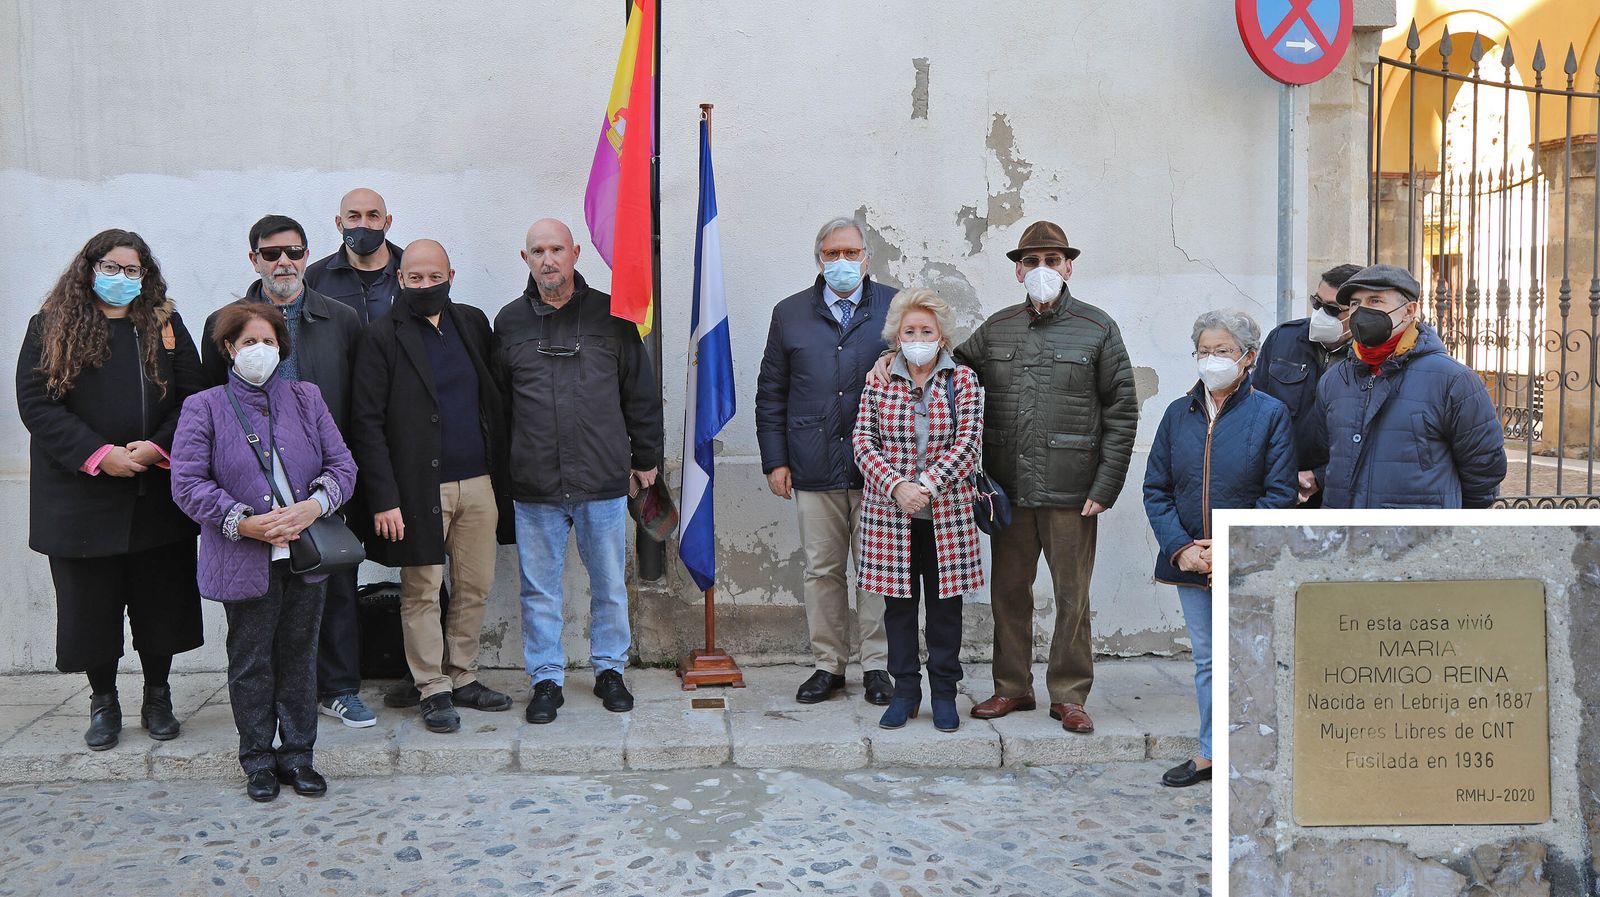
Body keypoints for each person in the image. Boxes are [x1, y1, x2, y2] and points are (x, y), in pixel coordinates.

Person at [876, 221, 1139, 734]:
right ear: (1018, 271)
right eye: (1031, 261)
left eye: (1052, 260)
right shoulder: (998, 328)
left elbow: (1122, 410)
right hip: (1009, 490)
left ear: (1068, 267)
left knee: (1072, 597)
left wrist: (1105, 486)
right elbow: (943, 364)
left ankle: (1069, 694)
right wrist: (890, 358)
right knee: (1009, 594)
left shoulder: (1098, 328)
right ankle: (1012, 686)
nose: (1042, 270)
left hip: (1072, 491)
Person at [15, 229, 207, 750]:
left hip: (155, 491)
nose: (122, 278)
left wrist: (156, 448)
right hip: (80, 498)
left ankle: (158, 696)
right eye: (111, 267)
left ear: (145, 276)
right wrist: (100, 455)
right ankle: (103, 701)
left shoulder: (165, 325)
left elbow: (194, 397)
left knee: (160, 604)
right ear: (89, 268)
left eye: (132, 270)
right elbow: (37, 403)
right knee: (91, 610)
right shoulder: (50, 326)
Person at [171, 302, 357, 802]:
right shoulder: (205, 406)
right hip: (243, 558)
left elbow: (343, 466)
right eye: (249, 342)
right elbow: (187, 483)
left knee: (299, 658)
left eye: (269, 342)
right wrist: (243, 522)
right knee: (251, 661)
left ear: (282, 348)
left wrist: (312, 507)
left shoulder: (306, 397)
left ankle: (299, 755)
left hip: (307, 554)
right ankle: (256, 759)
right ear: (229, 348)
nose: (260, 350)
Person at [201, 215, 373, 728]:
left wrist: (342, 480)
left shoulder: (341, 318)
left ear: (306, 256)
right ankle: (267, 703)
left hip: (322, 481)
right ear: (253, 258)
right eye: (272, 253)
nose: (284, 262)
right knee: (261, 603)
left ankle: (339, 687)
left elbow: (362, 400)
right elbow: (209, 403)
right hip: (251, 487)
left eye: (294, 252)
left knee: (332, 582)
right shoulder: (224, 322)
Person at [494, 218, 663, 725]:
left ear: (575, 253)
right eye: (538, 251)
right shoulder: (509, 322)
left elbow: (640, 393)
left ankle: (610, 670)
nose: (548, 260)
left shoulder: (613, 316)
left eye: (557, 249)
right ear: (525, 258)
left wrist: (645, 458)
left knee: (609, 584)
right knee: (539, 591)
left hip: (602, 480)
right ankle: (546, 678)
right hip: (535, 485)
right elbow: (498, 406)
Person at [348, 239, 513, 734]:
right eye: (415, 278)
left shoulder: (472, 323)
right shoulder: (380, 336)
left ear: (451, 276)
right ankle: (431, 687)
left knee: (475, 585)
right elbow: (366, 424)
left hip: (477, 482)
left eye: (434, 277)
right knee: (421, 588)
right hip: (417, 488)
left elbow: (491, 398)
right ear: (400, 279)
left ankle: (463, 675)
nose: (425, 285)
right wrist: (384, 498)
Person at [1143, 309, 1297, 788]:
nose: (1211, 360)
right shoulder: (1177, 414)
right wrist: (1182, 550)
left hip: (1246, 561)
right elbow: (1156, 489)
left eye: (1223, 351)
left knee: (1252, 659)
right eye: (1204, 351)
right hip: (1192, 562)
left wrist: (1231, 545)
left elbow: (1280, 494)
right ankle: (1212, 751)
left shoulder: (1270, 414)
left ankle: (1256, 752)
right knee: (1208, 660)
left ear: (1247, 357)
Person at [755, 216, 894, 707]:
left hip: (881, 468)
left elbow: (925, 373)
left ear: (866, 258)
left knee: (878, 572)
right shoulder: (790, 313)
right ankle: (828, 665)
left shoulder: (896, 307)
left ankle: (878, 666)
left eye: (850, 253)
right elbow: (771, 392)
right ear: (819, 259)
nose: (841, 262)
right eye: (832, 254)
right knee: (822, 570)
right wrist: (776, 460)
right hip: (812, 463)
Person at [851, 288, 984, 733]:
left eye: (927, 331)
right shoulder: (880, 380)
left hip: (948, 515)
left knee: (946, 611)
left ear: (942, 336)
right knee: (899, 610)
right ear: (897, 337)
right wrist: (897, 487)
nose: (918, 338)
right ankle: (905, 691)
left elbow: (969, 443)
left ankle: (944, 692)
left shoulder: (962, 380)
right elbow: (863, 442)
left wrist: (926, 485)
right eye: (910, 331)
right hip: (891, 515)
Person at [1309, 264, 1506, 508]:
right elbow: (1326, 455)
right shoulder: (1335, 380)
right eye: (1355, 304)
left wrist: (1441, 521)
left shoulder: (1453, 381)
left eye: (1375, 301)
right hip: (1344, 530)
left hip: (1420, 531)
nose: (1361, 311)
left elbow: (1484, 472)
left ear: (1409, 311)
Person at [1251, 263, 1361, 506]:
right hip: (1278, 487)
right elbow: (1254, 412)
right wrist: (1277, 475)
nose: (1320, 313)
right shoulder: (1283, 338)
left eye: (1332, 309)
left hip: (1343, 493)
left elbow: (1373, 437)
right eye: (1317, 303)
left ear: (1357, 312)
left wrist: (1320, 477)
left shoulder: (1370, 357)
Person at [304, 188, 403, 325]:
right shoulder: (314, 278)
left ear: (388, 222)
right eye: (354, 217)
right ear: (339, 223)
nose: (363, 225)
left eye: (373, 216)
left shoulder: (412, 273)